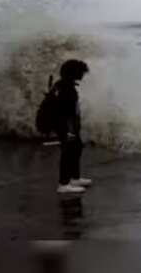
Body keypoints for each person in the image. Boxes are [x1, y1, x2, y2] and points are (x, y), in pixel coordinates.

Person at [53, 59, 91, 194]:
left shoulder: (62, 85)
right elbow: (65, 113)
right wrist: (69, 131)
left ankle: (75, 178)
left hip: (68, 126)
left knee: (76, 148)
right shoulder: (67, 89)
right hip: (66, 126)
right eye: (81, 72)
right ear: (74, 73)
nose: (83, 75)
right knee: (68, 152)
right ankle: (63, 184)